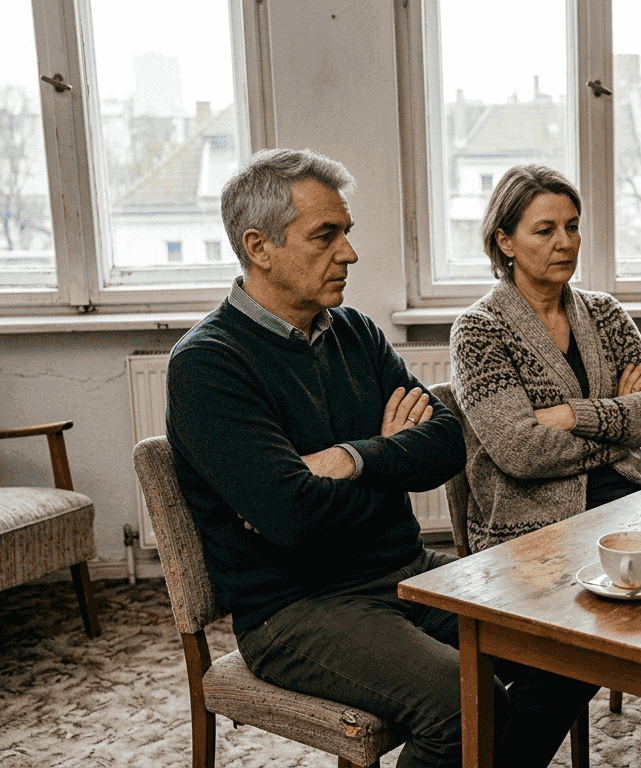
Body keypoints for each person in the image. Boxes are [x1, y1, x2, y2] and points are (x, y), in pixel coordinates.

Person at [166, 148, 597, 768]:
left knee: (573, 644)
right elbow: (293, 517)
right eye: (326, 235)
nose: (350, 252)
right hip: (297, 608)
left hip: (405, 570)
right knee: (463, 703)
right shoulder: (208, 364)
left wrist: (350, 458)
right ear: (259, 247)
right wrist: (393, 454)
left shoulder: (355, 332)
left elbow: (447, 442)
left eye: (347, 232)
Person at [449, 164, 641, 768]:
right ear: (504, 241)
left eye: (572, 226)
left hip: (630, 510)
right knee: (569, 666)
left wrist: (571, 414)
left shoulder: (605, 312)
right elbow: (517, 450)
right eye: (544, 230)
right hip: (531, 538)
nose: (565, 242)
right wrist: (616, 420)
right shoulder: (479, 331)